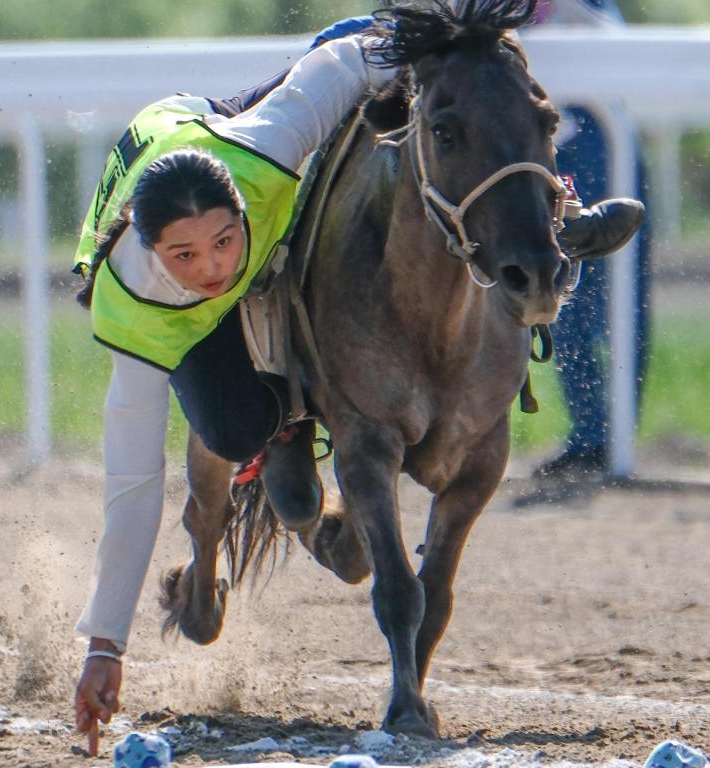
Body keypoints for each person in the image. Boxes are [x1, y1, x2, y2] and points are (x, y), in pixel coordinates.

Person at [70, 13, 644, 745]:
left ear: (242, 209)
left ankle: (556, 215)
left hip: (231, 131)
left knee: (405, 64)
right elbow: (130, 486)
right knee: (236, 427)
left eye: (224, 243)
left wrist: (439, 38)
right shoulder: (137, 310)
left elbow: (346, 61)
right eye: (187, 257)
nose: (211, 268)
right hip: (160, 174)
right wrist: (105, 645)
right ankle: (282, 423)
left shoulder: (271, 149)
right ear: (157, 255)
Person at [530, 0, 653, 478]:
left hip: (603, 144)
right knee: (568, 300)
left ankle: (613, 436)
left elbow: (612, 41)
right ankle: (589, 435)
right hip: (554, 149)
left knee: (622, 303)